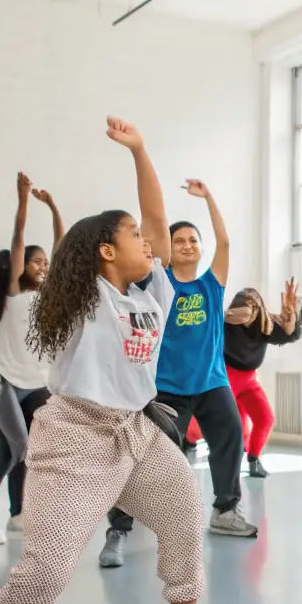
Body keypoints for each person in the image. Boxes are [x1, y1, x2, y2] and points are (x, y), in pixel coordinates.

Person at [0, 118, 229, 604]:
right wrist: (39, 212)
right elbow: (73, 245)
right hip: (76, 436)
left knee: (184, 513)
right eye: (132, 236)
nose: (149, 242)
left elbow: (157, 220)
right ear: (106, 252)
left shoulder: (153, 293)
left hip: (137, 431)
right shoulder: (83, 298)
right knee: (48, 563)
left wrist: (141, 151)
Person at [99, 180, 256, 568]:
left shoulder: (211, 284)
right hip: (166, 388)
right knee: (140, 457)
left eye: (193, 240)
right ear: (168, 250)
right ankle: (118, 528)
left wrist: (210, 198)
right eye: (179, 240)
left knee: (231, 436)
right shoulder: (159, 284)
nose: (187, 245)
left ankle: (225, 510)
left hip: (212, 382)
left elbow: (226, 243)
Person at [0, 173, 63, 545]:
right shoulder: (14, 290)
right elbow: (18, 237)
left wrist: (53, 207)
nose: (42, 265)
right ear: (22, 267)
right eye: (35, 261)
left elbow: (62, 247)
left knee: (22, 448)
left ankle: (18, 514)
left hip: (33, 382)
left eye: (44, 261)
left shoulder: (49, 294)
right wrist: (23, 200)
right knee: (17, 447)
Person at [221, 280, 302, 477]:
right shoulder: (225, 323)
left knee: (265, 418)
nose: (249, 310)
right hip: (226, 377)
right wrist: (230, 314)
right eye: (246, 304)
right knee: (233, 426)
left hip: (249, 380)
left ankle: (254, 459)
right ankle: (197, 445)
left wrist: (291, 311)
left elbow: (290, 335)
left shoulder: (264, 324)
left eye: (253, 305)